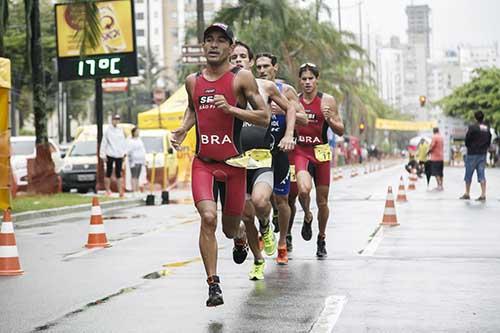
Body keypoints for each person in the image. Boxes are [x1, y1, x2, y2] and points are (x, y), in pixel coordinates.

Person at [170, 23, 269, 307]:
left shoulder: (242, 79)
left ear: (230, 46)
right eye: (208, 40)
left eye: (220, 40)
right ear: (203, 46)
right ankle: (214, 285)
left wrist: (231, 109)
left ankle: (239, 237)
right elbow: (194, 108)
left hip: (235, 164)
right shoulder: (192, 81)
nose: (214, 45)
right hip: (204, 163)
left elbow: (263, 116)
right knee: (208, 218)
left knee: (228, 228)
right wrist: (181, 129)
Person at [229, 41, 296, 278]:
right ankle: (257, 260)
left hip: (261, 157)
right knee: (246, 216)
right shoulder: (223, 88)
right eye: (234, 56)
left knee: (260, 202)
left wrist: (288, 134)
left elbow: (290, 108)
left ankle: (266, 226)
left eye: (242, 56)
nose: (238, 60)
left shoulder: (266, 87)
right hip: (235, 161)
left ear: (250, 61)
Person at [254, 52, 308, 261]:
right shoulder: (253, 89)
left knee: (282, 199)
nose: (262, 70)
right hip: (259, 153)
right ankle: (265, 228)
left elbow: (303, 118)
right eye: (258, 67)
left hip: (281, 152)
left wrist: (286, 111)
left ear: (275, 67)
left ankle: (283, 242)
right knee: (258, 199)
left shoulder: (286, 91)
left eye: (266, 66)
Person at [293, 63, 344, 258]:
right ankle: (307, 215)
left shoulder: (327, 100)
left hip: (321, 152)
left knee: (322, 201)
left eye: (310, 78)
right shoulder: (294, 101)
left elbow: (340, 130)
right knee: (303, 190)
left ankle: (321, 238)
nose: (307, 82)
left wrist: (329, 119)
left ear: (317, 79)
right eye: (304, 79)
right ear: (300, 81)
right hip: (301, 151)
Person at [460, 111, 492, 201]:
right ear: (483, 118)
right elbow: (489, 139)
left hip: (472, 153)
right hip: (482, 153)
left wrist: (469, 146)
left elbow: (467, 139)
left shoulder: (472, 127)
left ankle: (467, 193)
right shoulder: (486, 128)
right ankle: (483, 194)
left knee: (468, 173)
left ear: (475, 118)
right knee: (481, 173)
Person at [99, 114, 127, 196]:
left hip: (119, 154)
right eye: (115, 119)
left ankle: (120, 191)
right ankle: (107, 190)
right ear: (112, 120)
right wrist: (103, 155)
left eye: (117, 119)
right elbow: (104, 143)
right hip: (110, 153)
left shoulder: (121, 130)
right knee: (108, 172)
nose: (116, 121)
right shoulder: (108, 131)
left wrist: (124, 153)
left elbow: (123, 142)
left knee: (119, 173)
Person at [127, 127, 146, 196]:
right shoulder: (130, 141)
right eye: (137, 132)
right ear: (134, 132)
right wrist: (131, 159)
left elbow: (142, 150)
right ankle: (134, 190)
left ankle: (137, 190)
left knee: (138, 175)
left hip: (140, 160)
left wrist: (144, 160)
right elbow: (129, 151)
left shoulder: (139, 140)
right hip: (134, 160)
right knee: (134, 175)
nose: (138, 133)